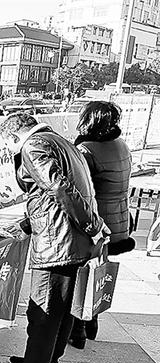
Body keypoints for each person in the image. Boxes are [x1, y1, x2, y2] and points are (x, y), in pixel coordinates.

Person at [0, 113, 109, 363]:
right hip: (72, 241)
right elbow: (51, 196)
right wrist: (26, 225)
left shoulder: (33, 146)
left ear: (14, 135)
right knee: (62, 310)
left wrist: (93, 225)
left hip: (58, 243)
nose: (9, 150)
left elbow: (59, 189)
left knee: (43, 313)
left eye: (8, 144)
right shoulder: (63, 143)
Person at [68, 101, 134, 349]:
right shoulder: (121, 144)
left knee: (81, 274)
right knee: (97, 270)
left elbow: (78, 191)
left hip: (96, 221)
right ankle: (92, 323)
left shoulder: (86, 150)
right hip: (119, 218)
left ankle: (78, 330)